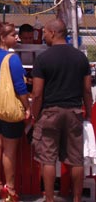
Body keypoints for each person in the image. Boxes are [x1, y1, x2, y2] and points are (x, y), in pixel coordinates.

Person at [31, 19, 92, 202]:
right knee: (75, 159)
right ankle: (76, 199)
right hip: (74, 112)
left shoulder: (42, 58)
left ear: (52, 32)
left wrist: (35, 114)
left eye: (46, 32)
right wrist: (87, 112)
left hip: (50, 112)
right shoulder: (81, 57)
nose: (45, 36)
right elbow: (87, 90)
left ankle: (49, 199)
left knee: (48, 158)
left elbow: (37, 93)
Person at [0, 22, 30, 202]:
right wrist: (27, 107)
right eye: (13, 35)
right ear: (3, 38)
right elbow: (20, 87)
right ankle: (10, 190)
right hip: (8, 103)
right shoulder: (13, 59)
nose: (17, 38)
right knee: (9, 150)